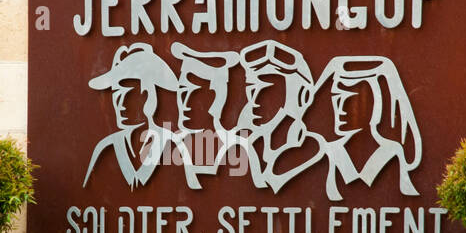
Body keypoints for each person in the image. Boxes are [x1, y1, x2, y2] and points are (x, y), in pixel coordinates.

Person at [315, 56, 422, 200]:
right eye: (336, 99)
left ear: (374, 106)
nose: (339, 109)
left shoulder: (393, 152)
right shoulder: (332, 152)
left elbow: (409, 197)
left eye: (348, 100)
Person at [230, 40, 325, 193]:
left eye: (266, 88)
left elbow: (273, 180)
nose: (254, 99)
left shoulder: (310, 149)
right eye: (251, 88)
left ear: (302, 95)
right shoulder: (245, 145)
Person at [82, 43, 180, 189]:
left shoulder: (174, 145)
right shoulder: (105, 149)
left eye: (126, 94)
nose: (119, 104)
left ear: (147, 96)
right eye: (115, 95)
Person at [168, 42, 240, 189]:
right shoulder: (168, 147)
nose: (184, 103)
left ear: (217, 98)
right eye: (182, 92)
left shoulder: (240, 148)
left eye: (194, 92)